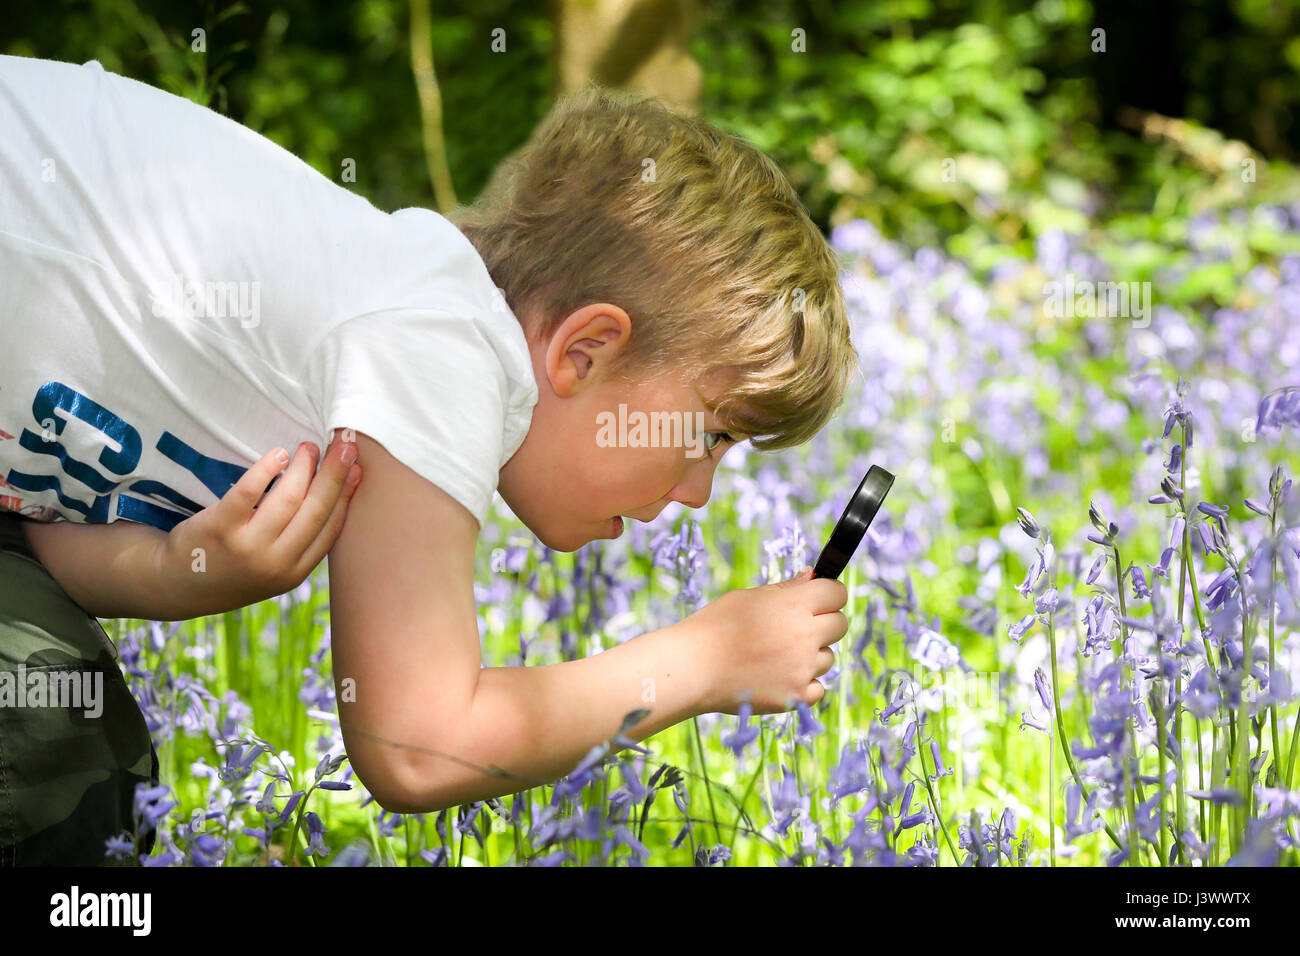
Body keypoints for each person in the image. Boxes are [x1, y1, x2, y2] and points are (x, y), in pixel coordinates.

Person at [0, 54, 855, 862]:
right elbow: (418, 746)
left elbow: (40, 533)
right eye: (710, 435)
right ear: (585, 351)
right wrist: (705, 662)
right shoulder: (441, 343)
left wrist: (169, 571)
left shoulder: (367, 334)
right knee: (50, 760)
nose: (701, 493)